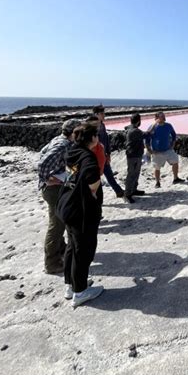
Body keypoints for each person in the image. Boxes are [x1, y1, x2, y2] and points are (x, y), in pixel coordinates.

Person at [63, 122, 104, 307]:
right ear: (92, 138)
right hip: (81, 211)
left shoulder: (72, 151)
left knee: (72, 247)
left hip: (67, 205)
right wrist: (94, 192)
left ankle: (71, 285)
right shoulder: (88, 157)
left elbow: (72, 173)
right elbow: (92, 178)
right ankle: (80, 292)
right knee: (83, 250)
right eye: (96, 134)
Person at [38, 119, 81, 274]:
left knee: (60, 221)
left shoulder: (61, 140)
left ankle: (61, 249)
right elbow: (43, 163)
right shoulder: (62, 145)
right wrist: (48, 179)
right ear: (73, 132)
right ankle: (51, 262)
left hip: (57, 186)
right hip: (54, 190)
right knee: (57, 225)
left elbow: (43, 152)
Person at [93, 105, 124, 199]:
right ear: (96, 114)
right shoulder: (92, 126)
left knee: (109, 174)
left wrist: (108, 153)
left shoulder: (102, 125)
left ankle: (118, 191)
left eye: (104, 113)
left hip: (103, 154)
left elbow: (106, 140)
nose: (104, 115)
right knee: (95, 178)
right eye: (102, 113)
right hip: (95, 156)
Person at [145, 111, 184, 188]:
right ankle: (157, 182)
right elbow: (147, 139)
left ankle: (176, 178)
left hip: (168, 150)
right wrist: (149, 150)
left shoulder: (168, 125)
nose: (163, 117)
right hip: (157, 152)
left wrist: (173, 143)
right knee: (157, 167)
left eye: (164, 115)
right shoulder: (152, 127)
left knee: (175, 161)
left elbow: (173, 134)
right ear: (156, 118)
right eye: (161, 116)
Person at [124, 113, 146, 203]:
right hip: (134, 155)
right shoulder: (135, 131)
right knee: (132, 174)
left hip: (134, 154)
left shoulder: (130, 128)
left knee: (136, 173)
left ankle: (133, 190)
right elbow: (146, 134)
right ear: (138, 121)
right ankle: (127, 194)